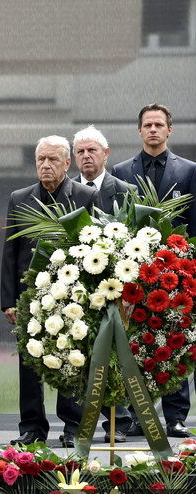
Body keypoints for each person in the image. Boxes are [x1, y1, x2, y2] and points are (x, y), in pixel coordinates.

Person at [1, 135, 102, 447]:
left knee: (71, 359)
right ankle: (31, 427)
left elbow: (94, 246)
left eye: (53, 160)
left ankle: (73, 426)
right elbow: (10, 252)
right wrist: (9, 301)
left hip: (71, 296)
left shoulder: (85, 196)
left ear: (67, 163)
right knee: (30, 364)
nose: (45, 165)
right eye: (41, 159)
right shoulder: (19, 198)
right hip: (29, 297)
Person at [112, 103, 196, 438]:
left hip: (177, 272)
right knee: (135, 345)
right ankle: (134, 415)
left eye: (159, 125)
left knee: (176, 343)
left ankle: (176, 417)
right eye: (147, 125)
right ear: (139, 130)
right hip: (135, 271)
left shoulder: (189, 171)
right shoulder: (121, 170)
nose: (153, 130)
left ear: (169, 130)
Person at [71, 125, 134, 443]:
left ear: (106, 154)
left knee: (115, 356)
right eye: (80, 151)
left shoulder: (123, 190)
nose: (85, 156)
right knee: (77, 356)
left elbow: (135, 239)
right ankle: (76, 424)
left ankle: (117, 423)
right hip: (76, 290)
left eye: (91, 150)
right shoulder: (67, 193)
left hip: (114, 290)